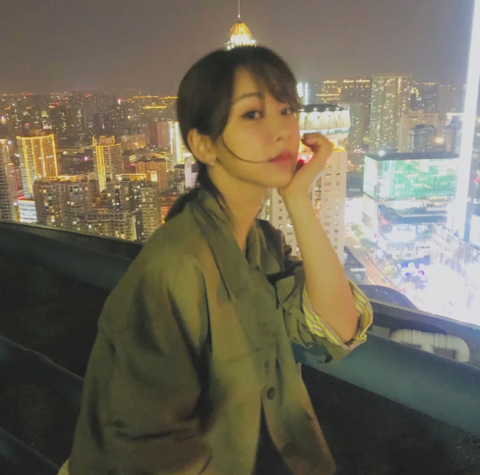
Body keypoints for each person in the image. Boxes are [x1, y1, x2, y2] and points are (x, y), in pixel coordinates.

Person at [58, 46, 372, 475]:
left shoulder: (262, 241)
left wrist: (299, 200)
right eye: (252, 114)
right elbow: (144, 444)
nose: (282, 131)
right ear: (204, 146)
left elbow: (336, 329)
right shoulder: (178, 265)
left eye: (286, 110)